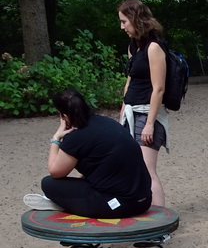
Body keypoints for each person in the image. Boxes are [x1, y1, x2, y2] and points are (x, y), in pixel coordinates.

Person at [25, 88, 152, 218]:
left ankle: (65, 204)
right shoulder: (108, 122)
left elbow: (55, 172)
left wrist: (56, 138)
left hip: (120, 205)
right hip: (144, 200)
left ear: (64, 116)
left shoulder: (76, 137)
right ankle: (72, 203)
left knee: (48, 184)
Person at [119, 0, 168, 206]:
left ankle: (160, 226)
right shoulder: (134, 47)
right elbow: (129, 82)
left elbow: (158, 88)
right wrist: (122, 113)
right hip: (131, 112)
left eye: (124, 22)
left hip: (147, 114)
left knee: (147, 170)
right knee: (131, 167)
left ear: (135, 19)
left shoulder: (154, 48)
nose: (122, 27)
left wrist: (149, 123)